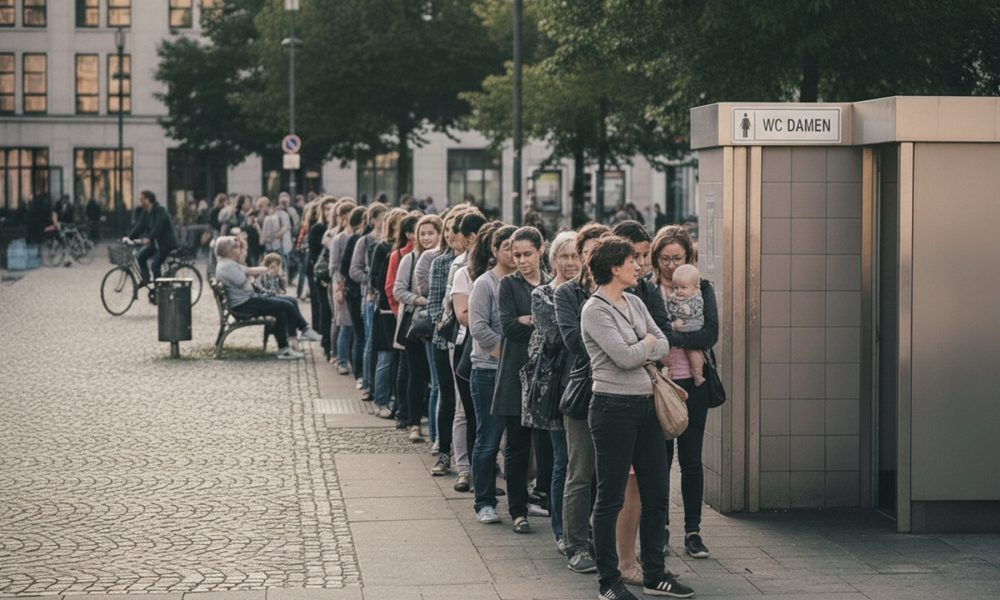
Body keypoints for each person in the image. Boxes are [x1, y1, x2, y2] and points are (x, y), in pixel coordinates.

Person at [580, 235, 693, 600]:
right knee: (610, 497)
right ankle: (608, 582)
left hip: (646, 406)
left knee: (657, 494)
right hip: (612, 409)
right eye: (632, 261)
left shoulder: (634, 301)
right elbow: (627, 357)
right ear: (614, 267)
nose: (639, 266)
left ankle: (655, 574)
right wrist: (644, 345)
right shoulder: (595, 310)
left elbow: (663, 344)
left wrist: (643, 346)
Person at [650, 225, 719, 561]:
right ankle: (659, 528)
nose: (670, 264)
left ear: (689, 258)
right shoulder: (647, 290)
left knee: (691, 459)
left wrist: (673, 339)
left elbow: (709, 334)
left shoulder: (702, 288)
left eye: (676, 258)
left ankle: (693, 531)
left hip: (695, 385)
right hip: (660, 386)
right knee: (659, 462)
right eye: (664, 258)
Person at [554, 223, 610, 575]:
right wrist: (623, 349)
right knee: (580, 471)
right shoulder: (568, 294)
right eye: (582, 253)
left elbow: (656, 334)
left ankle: (606, 540)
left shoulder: (628, 292)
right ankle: (575, 542)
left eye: (593, 253)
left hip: (621, 394)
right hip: (583, 392)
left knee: (612, 475)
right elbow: (576, 343)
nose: (587, 259)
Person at [522, 230, 578, 551]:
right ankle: (560, 529)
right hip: (554, 387)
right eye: (563, 256)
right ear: (552, 259)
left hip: (584, 383)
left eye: (575, 256)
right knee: (562, 460)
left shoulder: (590, 291)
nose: (570, 263)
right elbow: (559, 334)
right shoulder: (542, 295)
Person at [494, 226, 550, 534]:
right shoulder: (508, 285)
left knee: (545, 447)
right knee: (515, 445)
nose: (521, 261)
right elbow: (507, 327)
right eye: (516, 255)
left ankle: (544, 498)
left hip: (546, 375)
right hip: (517, 373)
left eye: (527, 254)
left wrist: (529, 319)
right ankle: (517, 510)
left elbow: (559, 326)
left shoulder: (553, 282)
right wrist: (537, 323)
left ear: (541, 251)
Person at [468, 223, 517, 525]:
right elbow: (479, 328)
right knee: (488, 439)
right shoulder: (485, 283)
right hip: (488, 371)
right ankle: (484, 500)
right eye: (508, 247)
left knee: (518, 443)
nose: (514, 254)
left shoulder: (525, 282)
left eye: (520, 248)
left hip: (519, 373)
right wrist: (508, 356)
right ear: (495, 251)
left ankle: (520, 501)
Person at [213, 236, 322, 360]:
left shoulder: (229, 263)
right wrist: (251, 275)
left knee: (288, 304)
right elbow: (242, 280)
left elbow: (248, 270)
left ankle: (285, 348)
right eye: (236, 247)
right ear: (229, 251)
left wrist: (261, 270)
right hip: (245, 304)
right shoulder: (227, 266)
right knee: (287, 305)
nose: (239, 250)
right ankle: (304, 330)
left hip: (249, 300)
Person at [445, 212, 489, 491]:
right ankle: (464, 468)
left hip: (488, 346)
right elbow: (460, 313)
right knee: (464, 410)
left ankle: (484, 466)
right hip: (464, 342)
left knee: (485, 415)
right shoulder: (461, 268)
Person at [393, 214, 442, 442]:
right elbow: (398, 290)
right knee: (416, 374)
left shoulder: (442, 258)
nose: (426, 237)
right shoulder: (409, 259)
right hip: (416, 323)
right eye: (422, 234)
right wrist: (419, 300)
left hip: (437, 325)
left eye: (431, 233)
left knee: (437, 379)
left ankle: (434, 423)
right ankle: (414, 423)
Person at [125, 190, 179, 286]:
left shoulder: (160, 210)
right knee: (141, 257)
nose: (140, 202)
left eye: (142, 199)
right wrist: (129, 237)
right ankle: (146, 279)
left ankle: (160, 290)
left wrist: (149, 238)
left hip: (166, 244)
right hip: (155, 243)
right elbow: (140, 226)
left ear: (148, 199)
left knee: (155, 264)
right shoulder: (146, 211)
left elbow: (158, 226)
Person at [666, 264, 706, 386]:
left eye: (683, 287)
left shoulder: (697, 298)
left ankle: (698, 374)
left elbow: (696, 310)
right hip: (680, 325)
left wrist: (686, 309)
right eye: (676, 287)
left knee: (692, 350)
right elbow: (669, 309)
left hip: (693, 325)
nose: (679, 291)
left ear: (695, 288)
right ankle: (667, 370)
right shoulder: (674, 298)